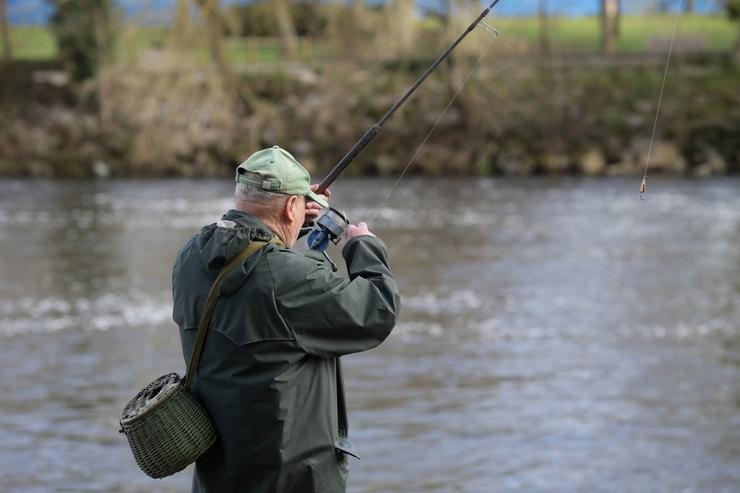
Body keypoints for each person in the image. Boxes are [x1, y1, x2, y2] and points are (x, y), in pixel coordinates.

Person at [172, 146, 400, 493]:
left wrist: (291, 227)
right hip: (292, 479)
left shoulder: (189, 258)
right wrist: (362, 245)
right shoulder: (289, 278)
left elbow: (257, 280)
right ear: (292, 206)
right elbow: (377, 310)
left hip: (220, 476)